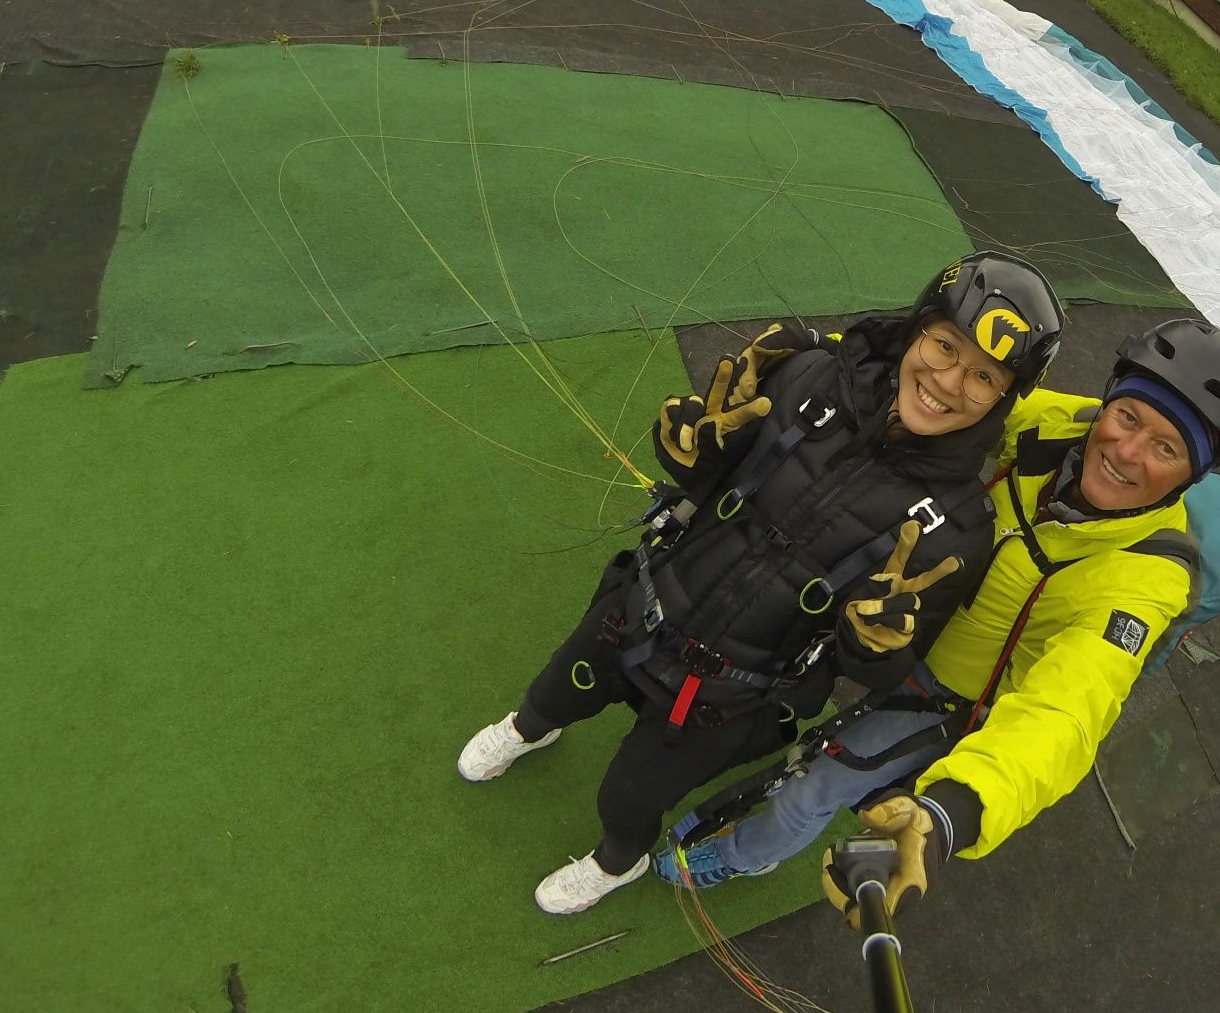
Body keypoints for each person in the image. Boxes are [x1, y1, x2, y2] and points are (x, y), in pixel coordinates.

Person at [455, 251, 1065, 914]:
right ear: (914, 329)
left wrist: (874, 643)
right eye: (945, 346)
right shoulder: (809, 377)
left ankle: (616, 863)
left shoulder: (959, 531)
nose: (948, 382)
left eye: (984, 376)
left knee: (628, 799)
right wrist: (687, 449)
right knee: (555, 689)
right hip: (641, 607)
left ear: (1004, 398)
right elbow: (712, 471)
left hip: (725, 697)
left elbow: (881, 671)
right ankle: (530, 728)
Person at [654, 318, 1220, 915]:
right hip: (902, 613)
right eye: (1128, 417)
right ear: (1107, 403)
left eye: (1166, 447)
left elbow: (1066, 713)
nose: (1126, 453)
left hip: (945, 692)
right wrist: (818, 352)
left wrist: (954, 812)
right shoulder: (1061, 424)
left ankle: (745, 854)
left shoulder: (1146, 582)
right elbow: (947, 391)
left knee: (812, 788)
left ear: (1194, 476)